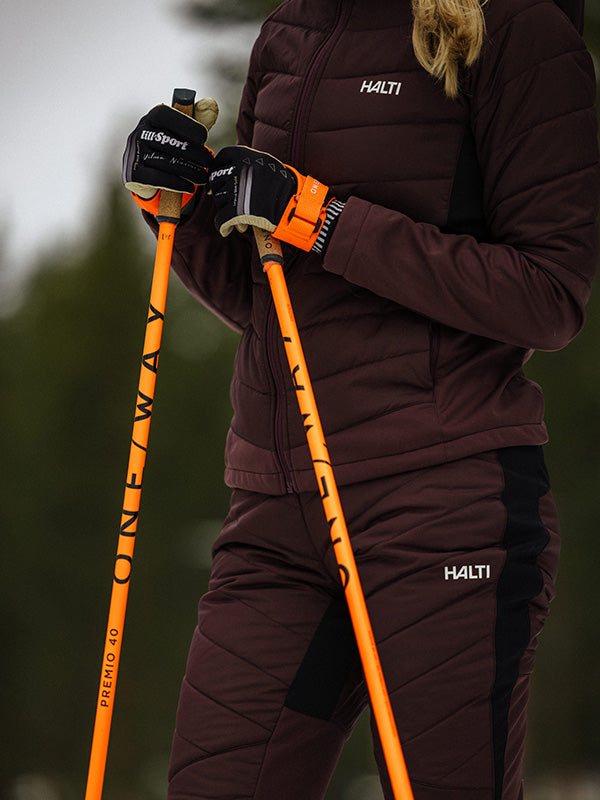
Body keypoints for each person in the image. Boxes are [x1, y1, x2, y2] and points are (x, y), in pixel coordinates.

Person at [121, 0, 599, 797]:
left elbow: (549, 293)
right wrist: (175, 206)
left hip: (440, 505)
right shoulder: (291, 28)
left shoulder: (514, 27)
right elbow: (268, 296)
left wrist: (320, 217)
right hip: (277, 517)